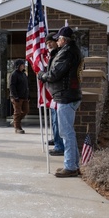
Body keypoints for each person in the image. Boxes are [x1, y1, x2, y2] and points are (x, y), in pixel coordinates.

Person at [37, 26, 83, 177]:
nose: (56, 40)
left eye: (58, 38)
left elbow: (54, 74)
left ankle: (70, 167)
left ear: (64, 40)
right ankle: (73, 165)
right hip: (68, 95)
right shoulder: (69, 51)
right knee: (68, 132)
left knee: (66, 133)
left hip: (66, 96)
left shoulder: (67, 53)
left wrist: (42, 75)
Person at [44, 34, 61, 148]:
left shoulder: (59, 55)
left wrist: (43, 76)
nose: (49, 44)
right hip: (53, 92)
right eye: (47, 43)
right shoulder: (52, 55)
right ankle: (56, 139)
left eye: (50, 41)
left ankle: (59, 145)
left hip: (59, 92)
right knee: (54, 120)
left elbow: (54, 74)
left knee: (58, 121)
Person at [9, 59, 29, 134]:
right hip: (16, 97)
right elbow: (12, 86)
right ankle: (17, 128)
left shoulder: (24, 74)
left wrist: (27, 95)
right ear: (18, 65)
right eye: (22, 64)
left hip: (24, 97)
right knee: (17, 112)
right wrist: (15, 96)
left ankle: (15, 121)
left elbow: (26, 86)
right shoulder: (14, 74)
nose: (24, 66)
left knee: (26, 110)